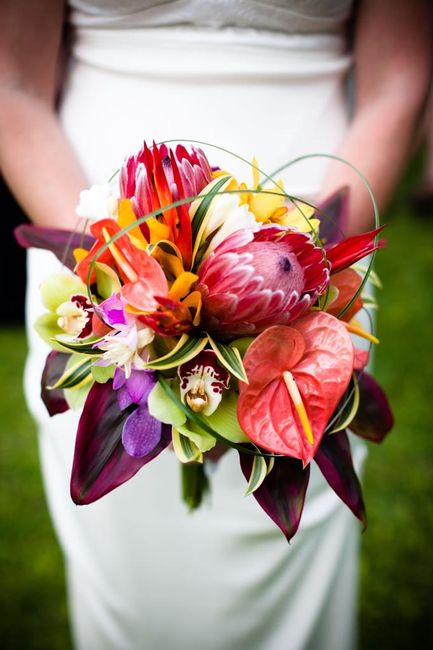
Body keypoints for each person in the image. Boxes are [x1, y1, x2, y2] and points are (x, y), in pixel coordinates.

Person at [1, 1, 431, 648]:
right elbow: (13, 84)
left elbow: (397, 80)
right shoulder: (106, 261)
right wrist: (115, 266)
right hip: (97, 234)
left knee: (292, 577)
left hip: (308, 235)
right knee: (134, 583)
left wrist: (307, 266)